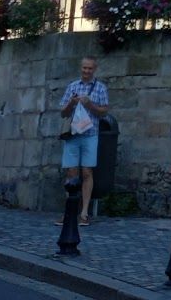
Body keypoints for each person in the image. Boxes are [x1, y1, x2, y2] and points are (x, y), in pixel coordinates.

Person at [57, 56, 110, 226]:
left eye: (90, 69)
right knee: (71, 173)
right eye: (84, 68)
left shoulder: (100, 88)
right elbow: (62, 113)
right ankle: (70, 211)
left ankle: (85, 212)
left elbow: (104, 113)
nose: (86, 71)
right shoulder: (72, 86)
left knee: (87, 172)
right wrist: (71, 104)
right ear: (81, 68)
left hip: (90, 134)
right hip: (73, 135)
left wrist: (90, 105)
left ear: (94, 69)